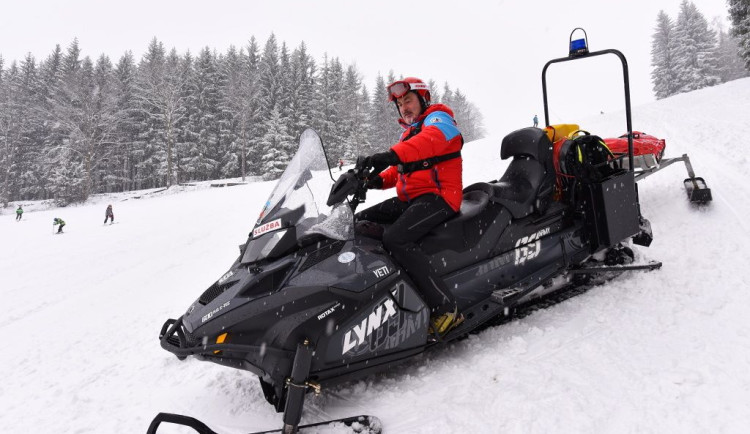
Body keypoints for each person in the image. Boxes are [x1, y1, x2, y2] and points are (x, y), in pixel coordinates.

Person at [357, 77, 464, 337]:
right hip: (411, 198)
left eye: (408, 101)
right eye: (400, 104)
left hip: (440, 196)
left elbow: (429, 141)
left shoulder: (440, 121)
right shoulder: (409, 132)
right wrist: (375, 180)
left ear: (423, 99)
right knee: (360, 224)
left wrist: (390, 154)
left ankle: (446, 308)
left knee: (396, 238)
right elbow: (400, 169)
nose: (404, 107)